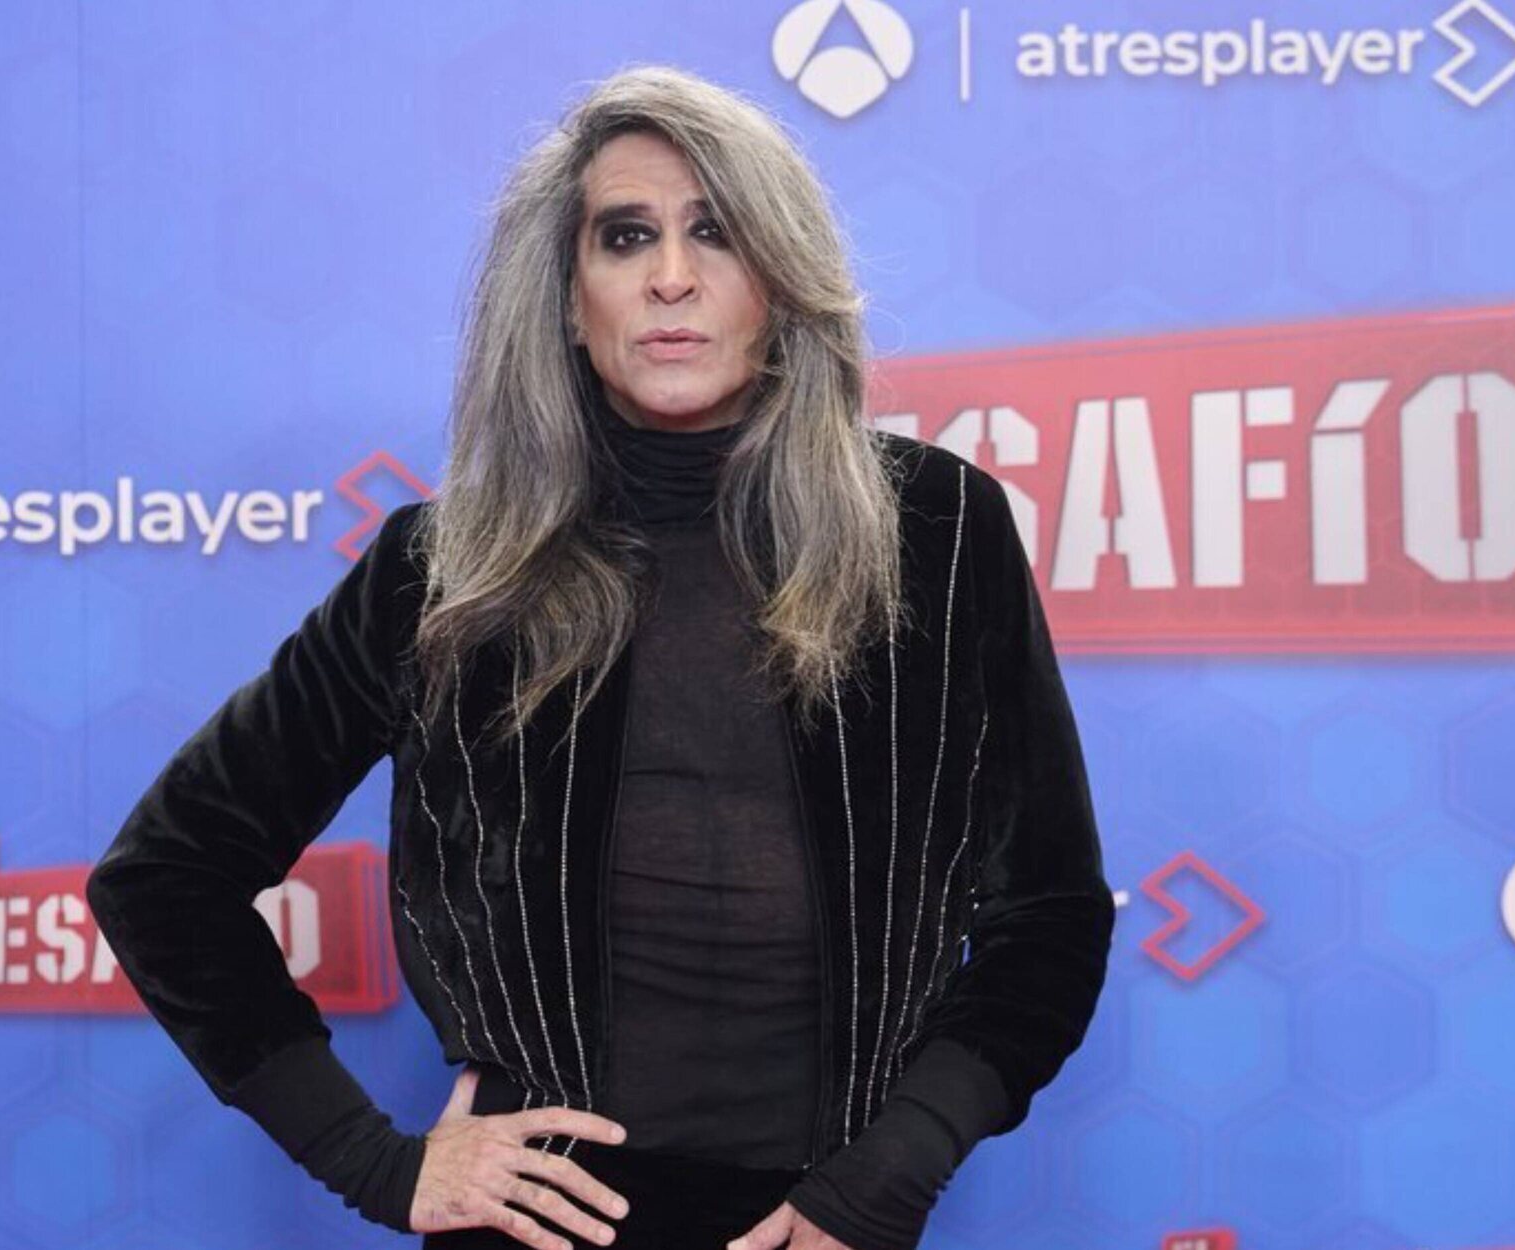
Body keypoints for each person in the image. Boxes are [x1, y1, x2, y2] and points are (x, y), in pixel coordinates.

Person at [86, 64, 1114, 1250]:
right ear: (570, 302)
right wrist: (369, 1158)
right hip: (532, 1229)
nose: (670, 276)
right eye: (625, 236)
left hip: (835, 1219)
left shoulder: (934, 531)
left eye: (714, 231)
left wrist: (890, 1169)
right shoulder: (446, 570)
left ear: (780, 284)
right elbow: (166, 873)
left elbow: (1048, 913)